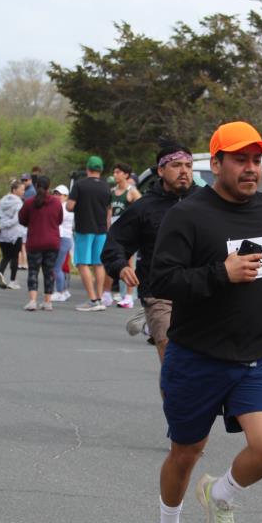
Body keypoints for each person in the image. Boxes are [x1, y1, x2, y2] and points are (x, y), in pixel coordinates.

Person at [150, 121, 262, 523]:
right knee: (186, 452)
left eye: (257, 160)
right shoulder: (189, 215)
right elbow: (162, 280)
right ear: (215, 164)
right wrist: (221, 273)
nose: (251, 168)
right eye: (240, 159)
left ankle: (221, 495)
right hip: (197, 356)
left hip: (257, 355)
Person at [103, 141, 197, 361]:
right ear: (161, 171)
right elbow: (115, 242)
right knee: (173, 356)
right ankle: (152, 319)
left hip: (201, 291)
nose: (184, 171)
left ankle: (147, 321)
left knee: (200, 361)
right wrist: (120, 265)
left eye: (188, 165)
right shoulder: (144, 207)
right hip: (160, 293)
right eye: (176, 165)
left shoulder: (206, 202)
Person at [68, 156, 111, 311]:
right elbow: (109, 210)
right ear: (101, 170)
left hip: (84, 228)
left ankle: (92, 299)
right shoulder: (106, 187)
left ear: (88, 169)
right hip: (101, 229)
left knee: (82, 263)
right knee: (99, 264)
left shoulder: (79, 185)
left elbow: (70, 206)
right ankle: (99, 299)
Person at [17, 176, 62, 311]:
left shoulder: (29, 202)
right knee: (49, 272)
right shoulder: (56, 202)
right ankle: (48, 302)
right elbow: (59, 220)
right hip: (52, 241)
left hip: (35, 241)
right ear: (49, 186)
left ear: (36, 186)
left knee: (33, 271)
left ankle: (33, 301)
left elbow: (22, 219)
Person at [108, 162, 141, 308]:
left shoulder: (132, 191)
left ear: (126, 175)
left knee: (129, 263)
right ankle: (107, 294)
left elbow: (142, 208)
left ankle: (129, 296)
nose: (115, 175)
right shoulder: (112, 191)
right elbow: (108, 212)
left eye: (118, 172)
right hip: (114, 230)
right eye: (114, 172)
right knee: (111, 260)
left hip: (127, 232)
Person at [0, 180, 26, 290]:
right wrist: (5, 225)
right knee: (15, 257)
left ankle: (0, 272)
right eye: (22, 189)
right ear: (14, 190)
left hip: (1, 234)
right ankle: (12, 281)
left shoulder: (2, 201)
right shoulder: (19, 203)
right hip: (14, 233)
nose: (23, 192)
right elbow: (16, 220)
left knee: (6, 256)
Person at [50, 185, 74, 302]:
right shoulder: (60, 207)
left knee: (56, 267)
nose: (56, 196)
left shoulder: (65, 208)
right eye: (55, 194)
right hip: (63, 238)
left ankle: (59, 292)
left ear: (66, 196)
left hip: (63, 238)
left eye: (59, 194)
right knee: (59, 267)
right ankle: (64, 291)